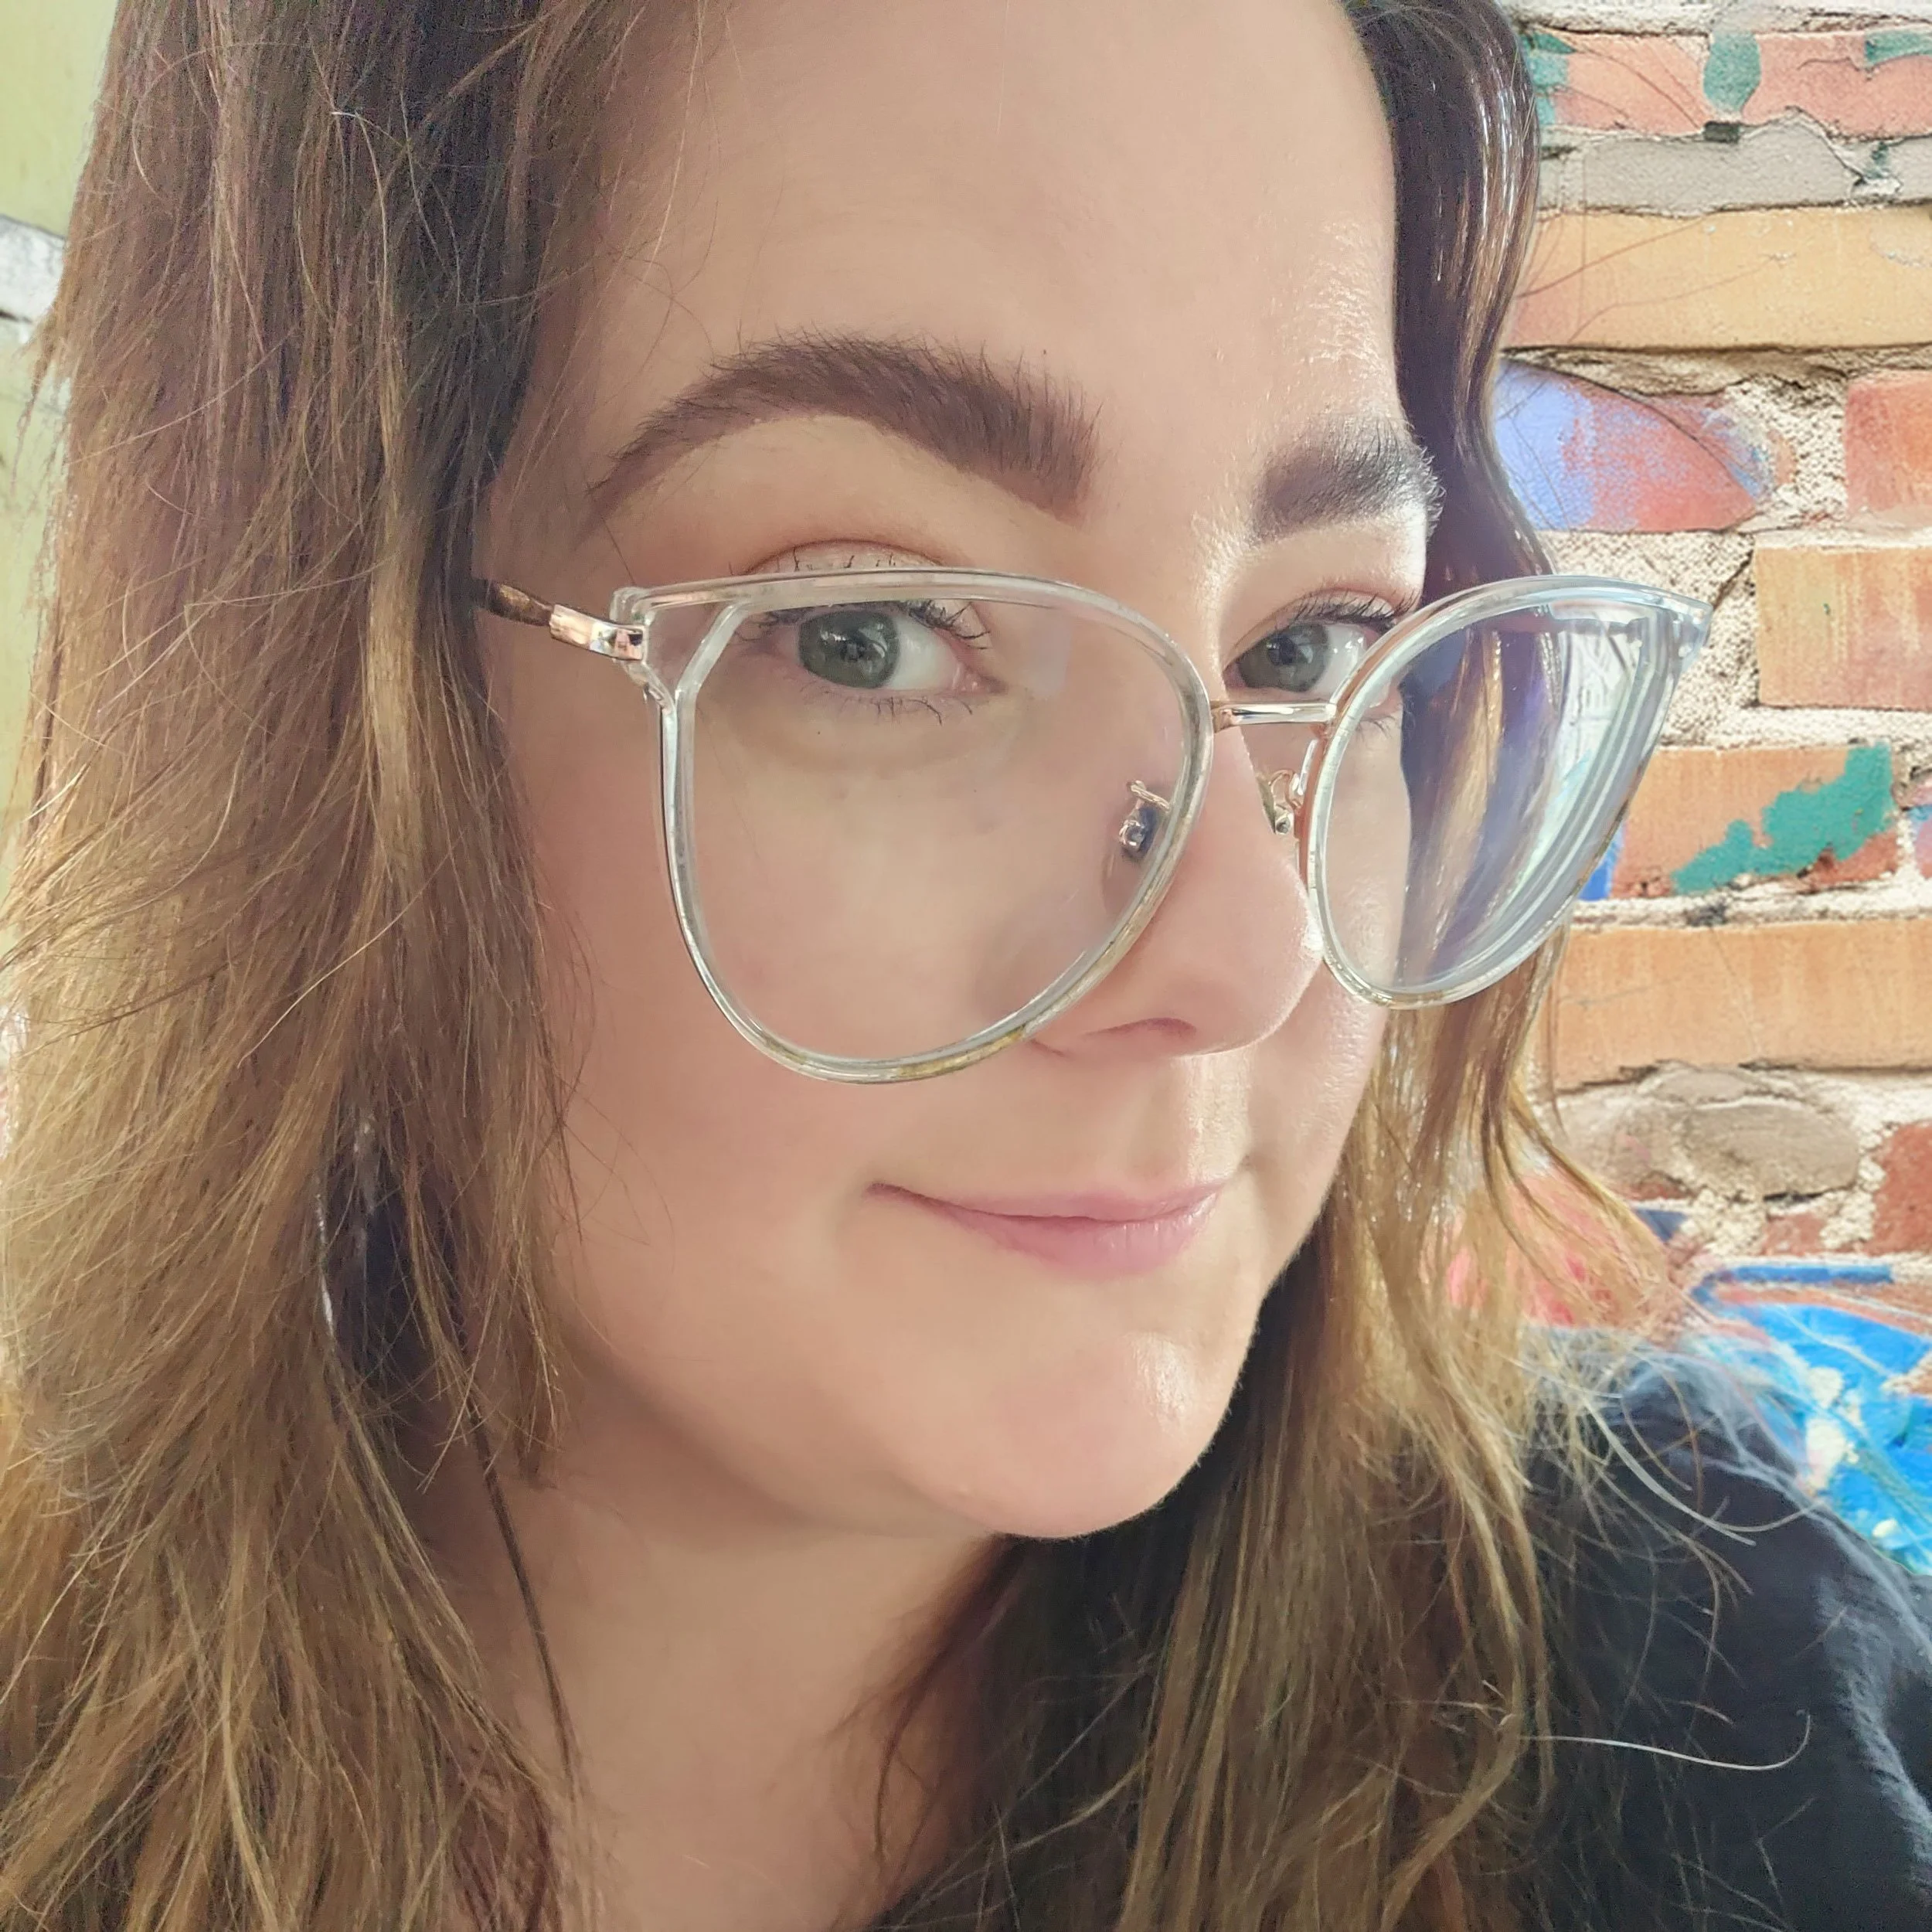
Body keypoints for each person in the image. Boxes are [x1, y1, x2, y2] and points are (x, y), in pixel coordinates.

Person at [2, 0, 1926, 1927]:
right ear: (305, 702)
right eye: (864, 631)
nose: (1241, 956)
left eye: (1308, 645)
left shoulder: (1694, 1700)